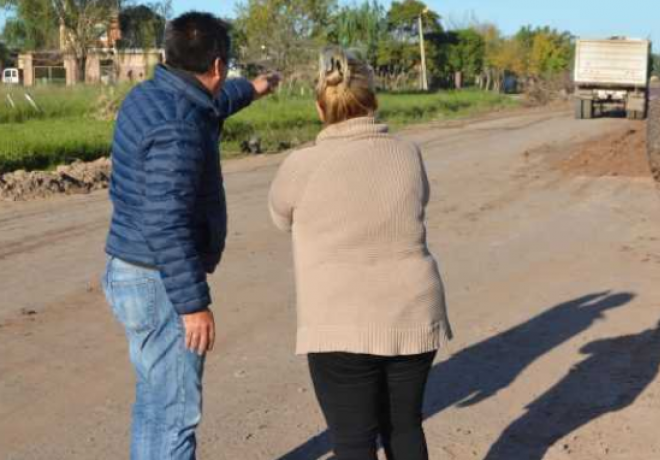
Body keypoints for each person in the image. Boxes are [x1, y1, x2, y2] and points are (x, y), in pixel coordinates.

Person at [101, 12, 279, 460]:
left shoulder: (152, 96)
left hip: (132, 267)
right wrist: (193, 304)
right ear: (217, 66)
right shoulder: (179, 126)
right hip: (158, 281)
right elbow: (167, 221)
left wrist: (254, 88)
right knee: (176, 413)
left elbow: (212, 103)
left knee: (156, 403)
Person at [269, 47, 453, 460]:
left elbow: (281, 219)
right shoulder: (408, 153)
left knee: (353, 441)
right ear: (375, 101)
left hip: (340, 321)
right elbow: (418, 201)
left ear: (320, 109)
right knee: (404, 428)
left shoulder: (300, 165)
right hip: (413, 311)